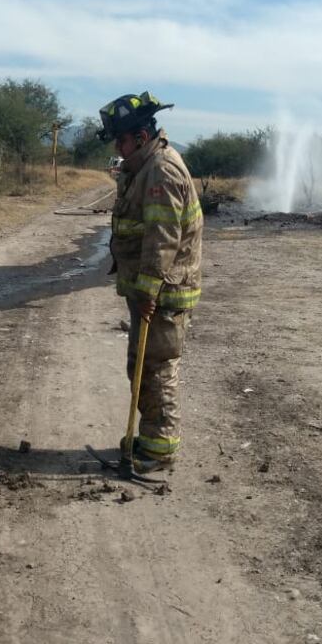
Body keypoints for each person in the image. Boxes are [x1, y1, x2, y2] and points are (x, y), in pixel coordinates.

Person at [97, 92, 203, 473]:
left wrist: (147, 291)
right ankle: (151, 436)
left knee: (155, 369)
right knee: (142, 367)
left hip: (164, 292)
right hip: (154, 291)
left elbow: (163, 237)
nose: (118, 149)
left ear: (141, 137)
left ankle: (159, 449)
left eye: (122, 141)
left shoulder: (160, 170)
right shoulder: (143, 166)